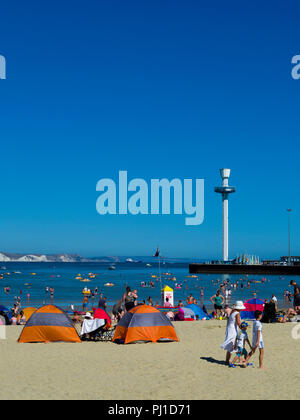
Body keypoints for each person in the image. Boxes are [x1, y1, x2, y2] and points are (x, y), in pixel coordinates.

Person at [221, 301, 244, 365]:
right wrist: (243, 328)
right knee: (234, 344)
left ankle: (232, 360)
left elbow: (229, 320)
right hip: (233, 329)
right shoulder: (237, 313)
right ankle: (232, 360)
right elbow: (239, 323)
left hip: (230, 328)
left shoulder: (232, 311)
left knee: (232, 345)